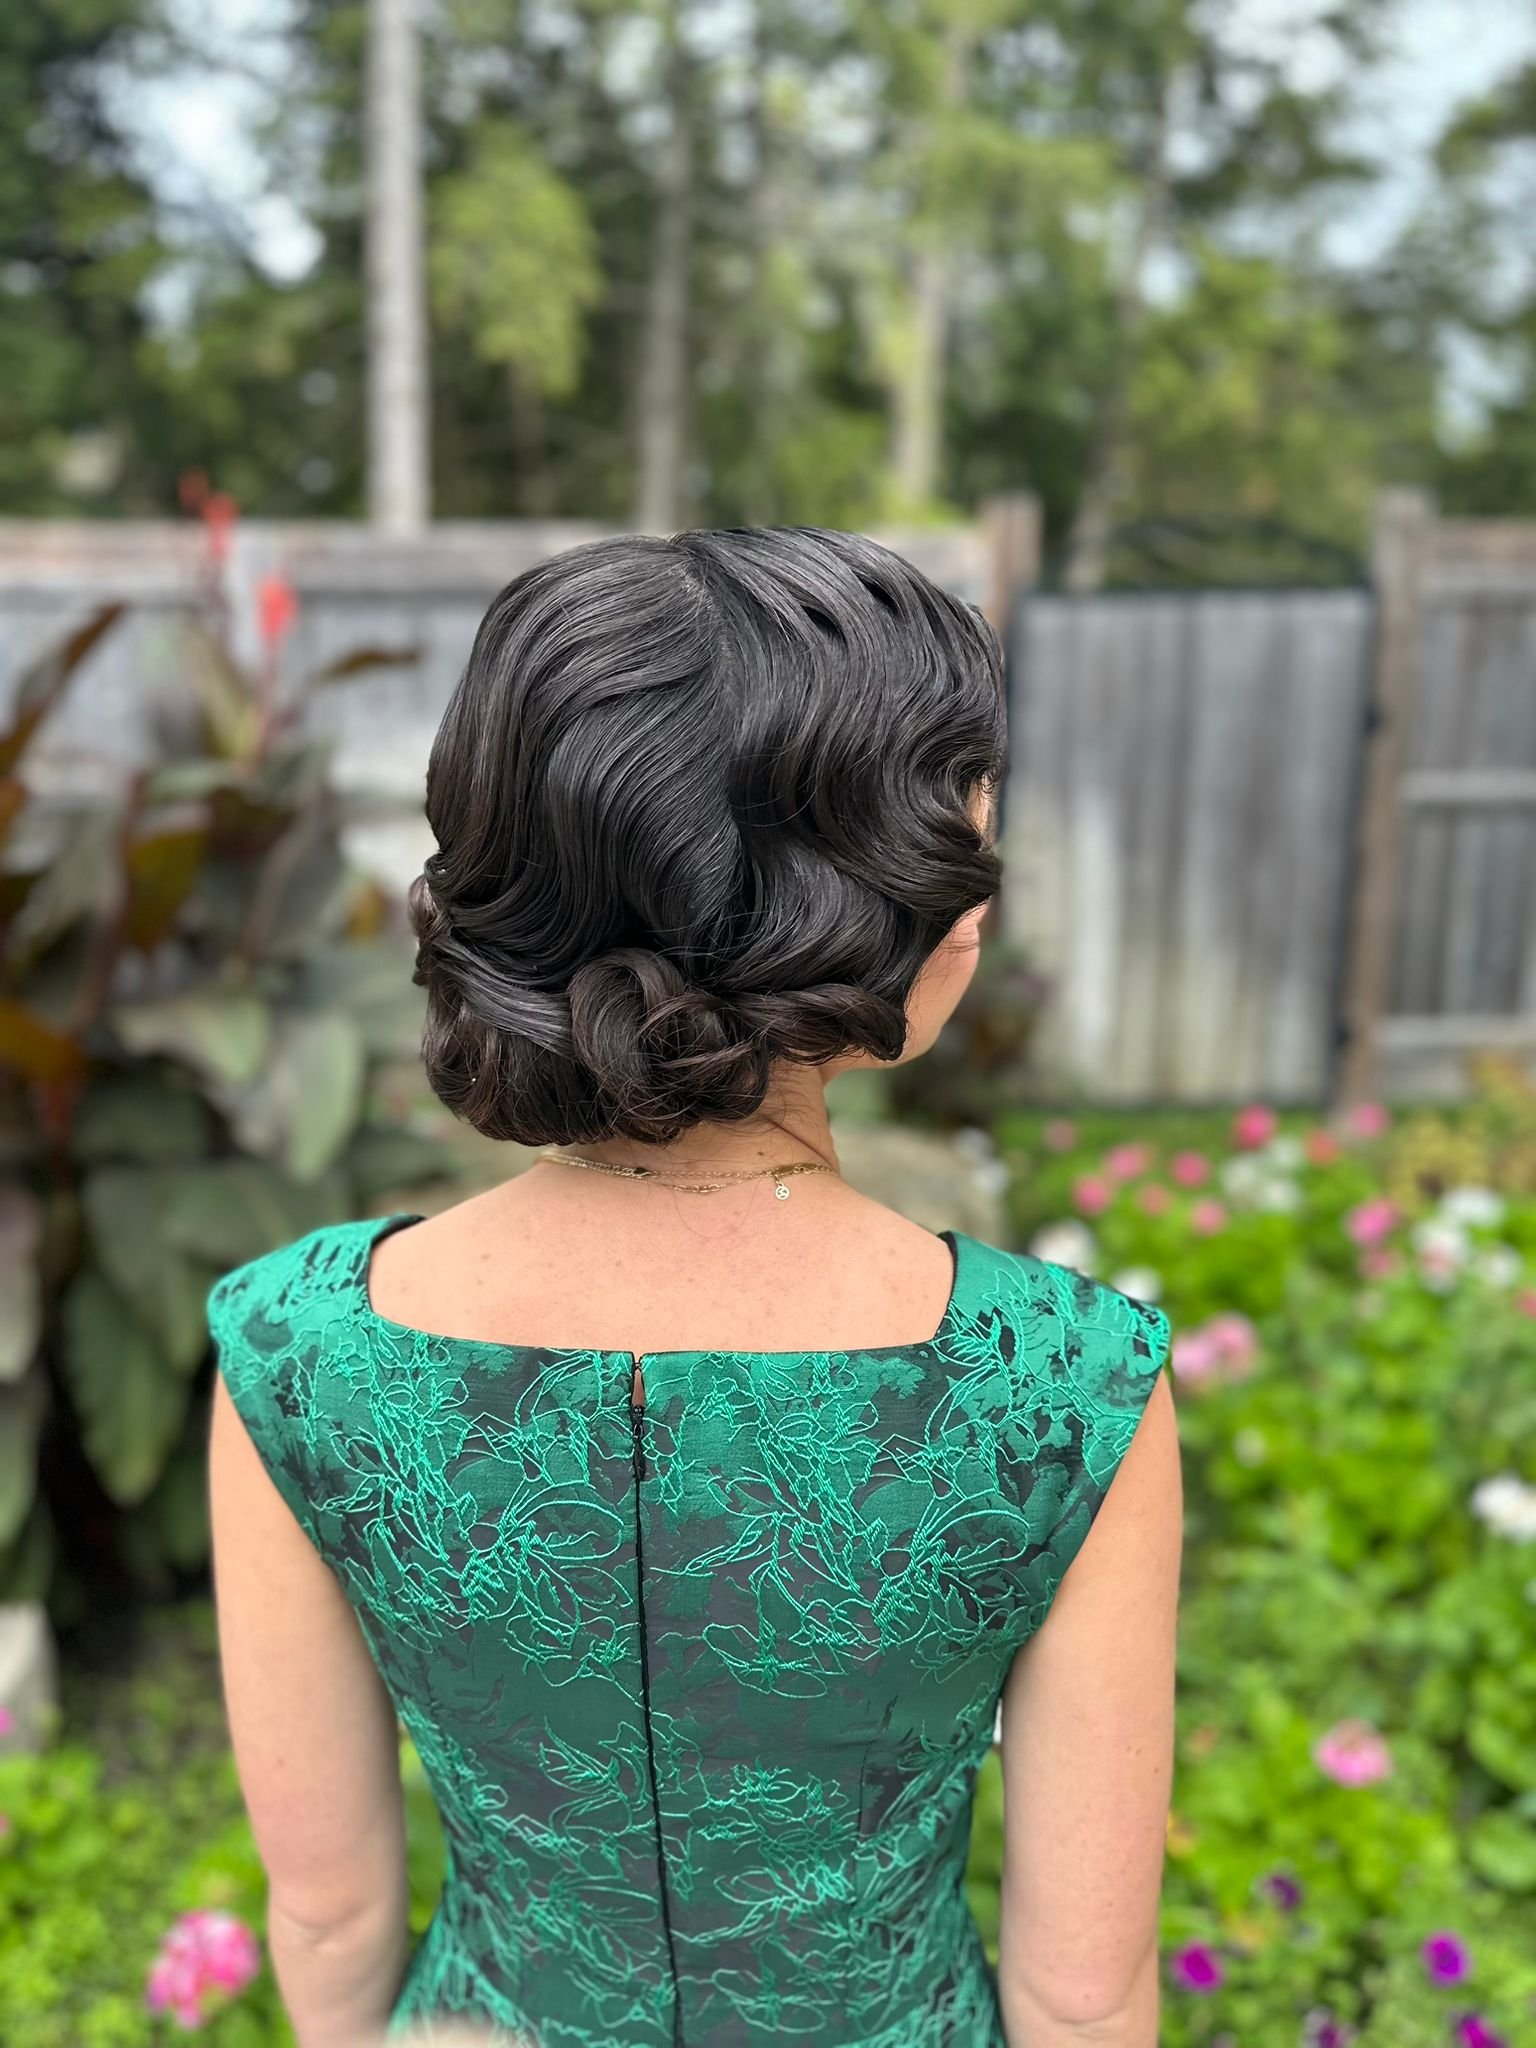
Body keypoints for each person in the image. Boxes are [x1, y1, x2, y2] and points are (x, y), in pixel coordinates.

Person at [208, 525, 1182, 2048]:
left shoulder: (300, 1345)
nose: (978, 884)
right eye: (953, 837)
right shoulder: (1064, 1381)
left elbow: (328, 1911)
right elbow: (1085, 1989)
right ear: (863, 914)